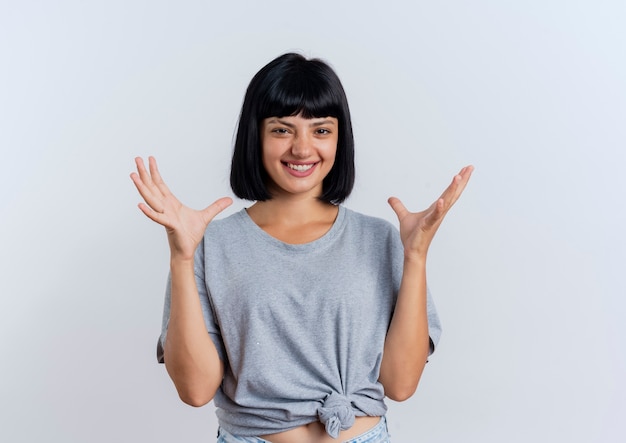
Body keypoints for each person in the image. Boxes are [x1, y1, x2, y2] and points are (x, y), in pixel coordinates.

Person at [131, 53, 473, 443]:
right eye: (282, 130)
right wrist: (181, 257)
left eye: (321, 130)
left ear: (339, 138)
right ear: (255, 135)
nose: (302, 148)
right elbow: (194, 390)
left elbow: (400, 384)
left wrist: (415, 257)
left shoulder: (380, 239)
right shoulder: (209, 246)